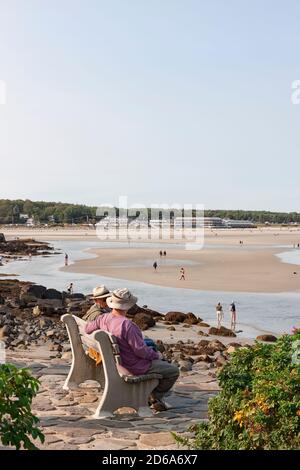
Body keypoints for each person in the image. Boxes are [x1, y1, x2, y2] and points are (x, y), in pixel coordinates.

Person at [85, 288, 179, 412]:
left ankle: (150, 395)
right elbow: (141, 351)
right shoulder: (127, 325)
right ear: (127, 306)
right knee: (173, 371)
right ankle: (155, 397)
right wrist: (157, 355)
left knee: (155, 354)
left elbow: (87, 329)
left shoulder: (104, 318)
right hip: (134, 366)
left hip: (116, 363)